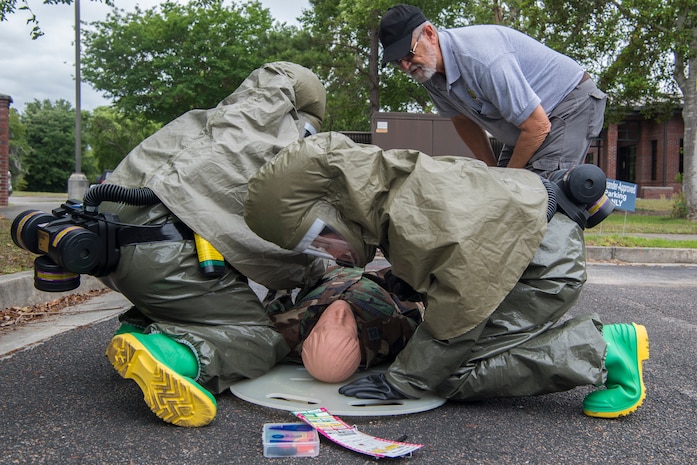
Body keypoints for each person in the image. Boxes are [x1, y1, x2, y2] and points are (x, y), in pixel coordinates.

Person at [244, 131, 649, 419]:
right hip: (530, 247)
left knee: (452, 375)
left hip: (542, 271)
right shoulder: (390, 186)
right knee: (437, 359)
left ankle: (602, 348)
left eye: (319, 237)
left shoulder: (406, 216)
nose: (328, 251)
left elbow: (459, 310)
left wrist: (404, 381)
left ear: (331, 206)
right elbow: (447, 255)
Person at [97, 62, 328, 427]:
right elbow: (275, 250)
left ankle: (134, 333)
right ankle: (171, 354)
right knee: (258, 337)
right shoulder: (279, 149)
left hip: (107, 248)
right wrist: (315, 268)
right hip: (163, 254)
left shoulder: (204, 120)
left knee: (197, 297)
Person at [378, 4, 607, 177]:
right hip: (526, 123)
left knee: (540, 198)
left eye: (408, 54)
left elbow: (537, 126)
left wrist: (506, 182)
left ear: (429, 33)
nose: (406, 66)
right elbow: (463, 121)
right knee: (499, 194)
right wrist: (491, 173)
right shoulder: (429, 75)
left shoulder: (481, 60)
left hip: (568, 104)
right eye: (398, 62)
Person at [265, 266, 423, 383]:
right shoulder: (390, 337)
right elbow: (419, 321)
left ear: (307, 337)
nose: (339, 314)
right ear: (359, 343)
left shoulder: (287, 332)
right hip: (379, 282)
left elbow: (276, 297)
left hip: (327, 277)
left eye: (323, 327)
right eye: (347, 329)